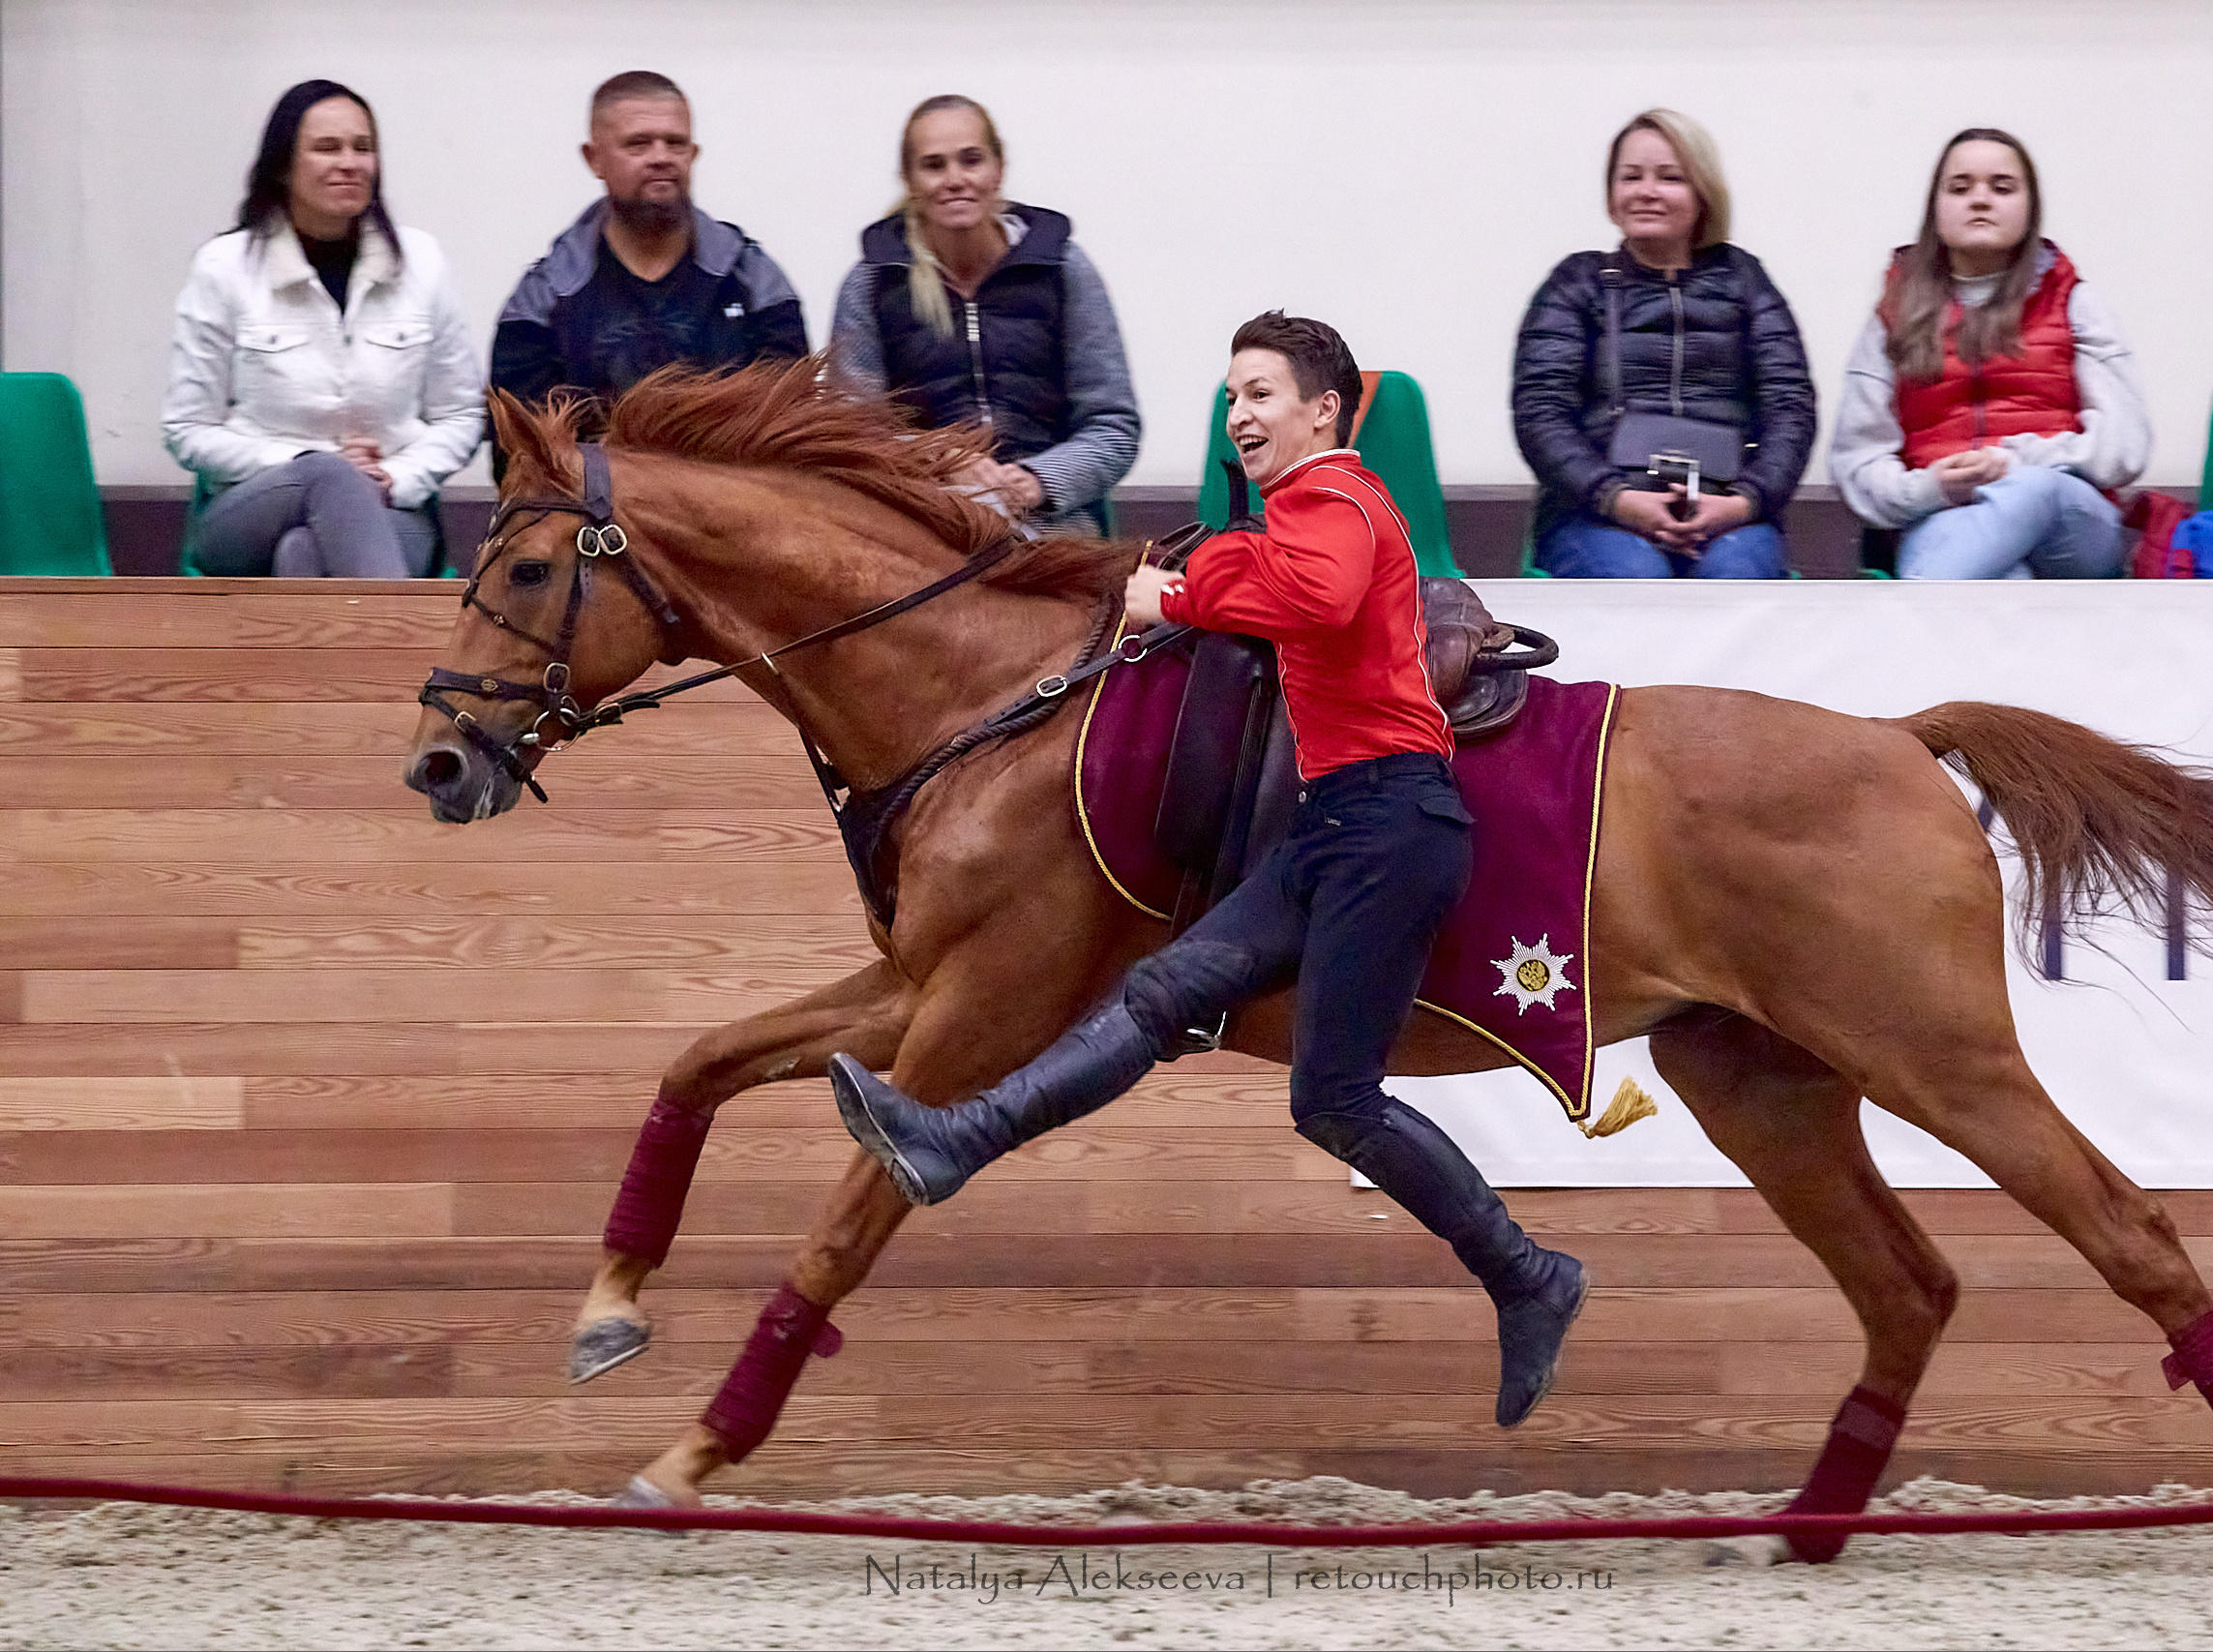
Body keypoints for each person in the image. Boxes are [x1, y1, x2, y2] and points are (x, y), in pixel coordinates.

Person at [831, 313, 1588, 1427]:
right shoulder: (1291, 515)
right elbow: (1263, 573)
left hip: (1390, 828)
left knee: (1336, 1104)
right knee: (1160, 994)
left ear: (1325, 411)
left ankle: (1532, 1276)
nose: (1241, 414)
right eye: (1232, 396)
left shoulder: (1337, 498)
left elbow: (1314, 599)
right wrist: (1203, 572)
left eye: (1263, 393)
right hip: (1337, 825)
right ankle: (954, 1139)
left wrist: (1176, 597)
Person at [162, 79, 484, 578]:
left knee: (302, 555)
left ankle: (332, 658)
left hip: (392, 507)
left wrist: (393, 479)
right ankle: (399, 651)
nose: (350, 163)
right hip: (249, 511)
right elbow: (187, 430)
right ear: (283, 167)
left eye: (363, 148)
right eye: (326, 148)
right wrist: (310, 462)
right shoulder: (224, 267)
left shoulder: (422, 262)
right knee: (325, 476)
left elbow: (461, 415)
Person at [1829, 127, 2150, 580]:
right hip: (1945, 515)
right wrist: (1931, 488)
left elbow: (2125, 445)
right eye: (1960, 188)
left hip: (2071, 516)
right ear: (1935, 210)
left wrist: (2014, 462)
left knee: (2030, 489)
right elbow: (1857, 461)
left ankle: (1903, 625)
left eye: (2002, 188)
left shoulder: (2073, 299)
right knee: (2005, 582)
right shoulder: (1895, 311)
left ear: (2030, 209)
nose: (1980, 200)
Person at [1511, 108, 1815, 579]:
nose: (1647, 191)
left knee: (1735, 576)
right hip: (1597, 515)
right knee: (1637, 580)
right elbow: (1540, 412)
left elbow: (1790, 408)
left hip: (1731, 513)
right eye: (1630, 177)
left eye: (1670, 177)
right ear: (1612, 197)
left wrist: (1743, 502)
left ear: (1702, 193)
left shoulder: (1745, 280)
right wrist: (1619, 499)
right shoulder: (1577, 282)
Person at [828, 95, 1139, 538]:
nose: (955, 180)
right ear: (910, 180)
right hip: (924, 528)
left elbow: (1113, 427)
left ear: (998, 169)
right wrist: (941, 460)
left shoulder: (1064, 270)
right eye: (934, 166)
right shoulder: (872, 284)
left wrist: (1039, 481)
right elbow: (850, 436)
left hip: (1052, 526)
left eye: (971, 160)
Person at [492, 72, 807, 430]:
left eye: (675, 143)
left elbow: (791, 436)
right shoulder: (544, 298)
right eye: (639, 144)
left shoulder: (755, 282)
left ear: (693, 154)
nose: (661, 157)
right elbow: (524, 458)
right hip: (595, 488)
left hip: (730, 486)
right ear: (594, 159)